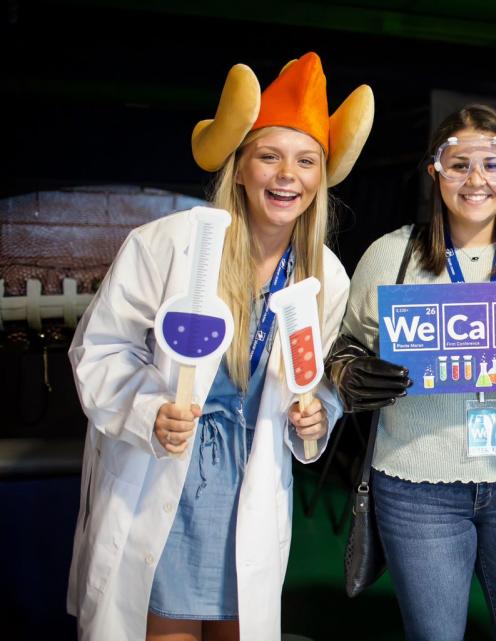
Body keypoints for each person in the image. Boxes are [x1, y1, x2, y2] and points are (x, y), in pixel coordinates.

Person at [66, 53, 373, 641]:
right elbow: (101, 350)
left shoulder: (325, 276)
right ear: (238, 167)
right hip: (164, 480)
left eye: (306, 160)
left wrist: (316, 416)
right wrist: (149, 413)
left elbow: (322, 383)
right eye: (269, 156)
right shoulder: (169, 245)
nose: (288, 175)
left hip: (249, 490)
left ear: (321, 176)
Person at [327, 104, 496, 641]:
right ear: (435, 172)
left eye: (492, 164)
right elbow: (346, 341)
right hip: (416, 486)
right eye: (459, 163)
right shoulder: (389, 254)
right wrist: (348, 370)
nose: (476, 179)